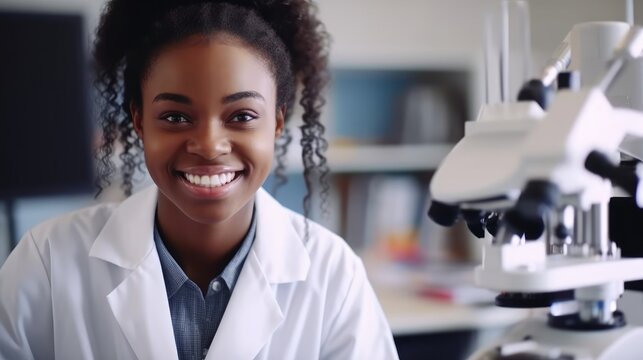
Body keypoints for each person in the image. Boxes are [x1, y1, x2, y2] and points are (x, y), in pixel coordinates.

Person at [0, 0, 399, 359]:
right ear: (139, 121)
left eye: (241, 116)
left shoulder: (335, 275)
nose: (209, 145)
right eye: (175, 117)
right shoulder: (48, 261)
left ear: (277, 123)